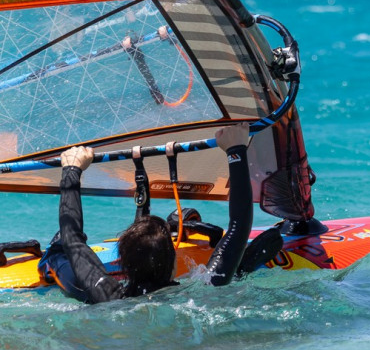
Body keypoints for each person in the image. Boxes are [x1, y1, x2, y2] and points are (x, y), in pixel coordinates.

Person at [38, 123, 274, 304]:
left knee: (70, 265)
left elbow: (73, 240)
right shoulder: (202, 291)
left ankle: (53, 256)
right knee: (271, 242)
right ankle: (239, 269)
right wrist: (236, 149)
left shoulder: (106, 293)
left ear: (122, 266)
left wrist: (71, 169)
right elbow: (238, 227)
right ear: (174, 265)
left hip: (116, 327)